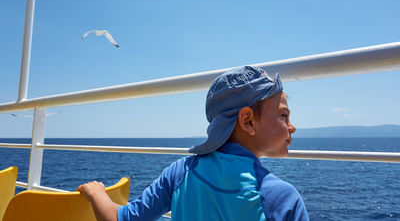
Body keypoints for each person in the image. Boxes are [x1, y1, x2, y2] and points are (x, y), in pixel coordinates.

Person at [78, 66, 309, 221]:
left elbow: (121, 218)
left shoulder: (181, 172)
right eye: (284, 116)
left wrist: (96, 193)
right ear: (247, 121)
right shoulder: (282, 198)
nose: (292, 126)